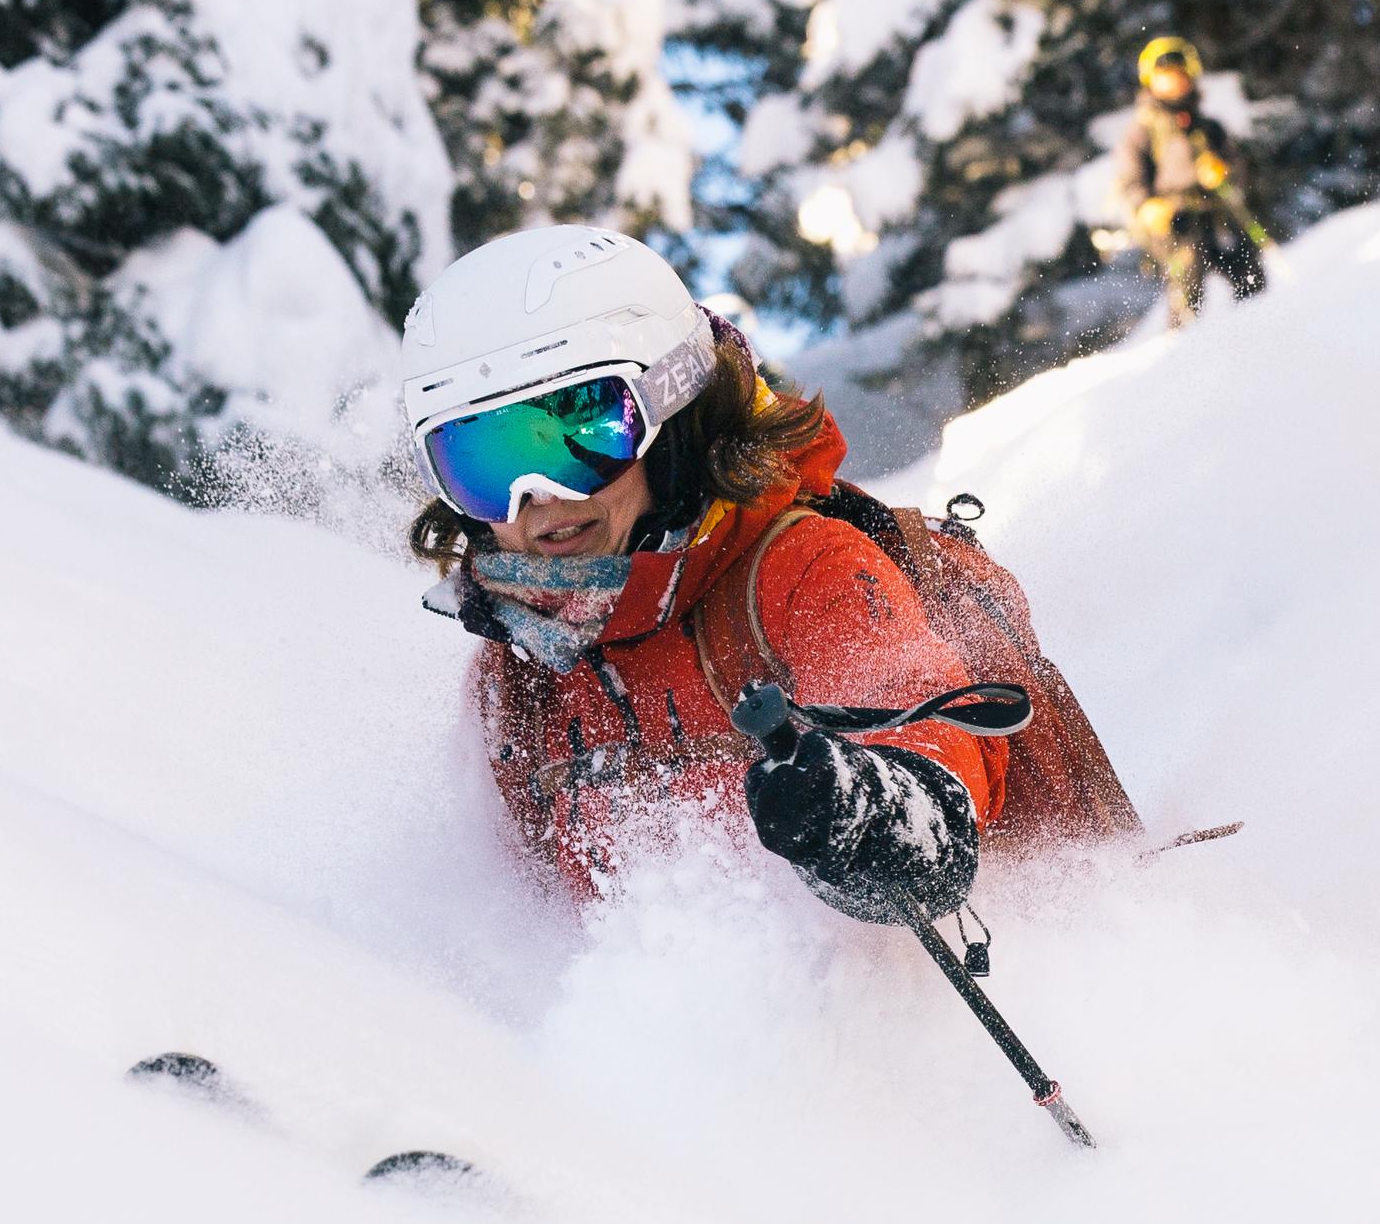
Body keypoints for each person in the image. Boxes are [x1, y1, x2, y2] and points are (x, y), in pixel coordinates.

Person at [398, 225, 1002, 924]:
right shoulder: (518, 677)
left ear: (674, 410)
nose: (538, 499)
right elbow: (513, 934)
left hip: (878, 1024)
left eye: (583, 434)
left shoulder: (804, 573)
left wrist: (864, 815)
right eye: (481, 464)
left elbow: (936, 787)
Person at [1111, 35, 1268, 327]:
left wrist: (1224, 173)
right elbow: (1130, 179)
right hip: (1174, 222)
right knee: (1188, 274)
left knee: (1247, 266)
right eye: (1165, 78)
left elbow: (1239, 171)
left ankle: (1258, 328)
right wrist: (1146, 206)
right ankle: (1181, 342)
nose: (1173, 84)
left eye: (1178, 77)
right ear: (1151, 82)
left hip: (1214, 212)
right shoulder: (1141, 132)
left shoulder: (1210, 128)